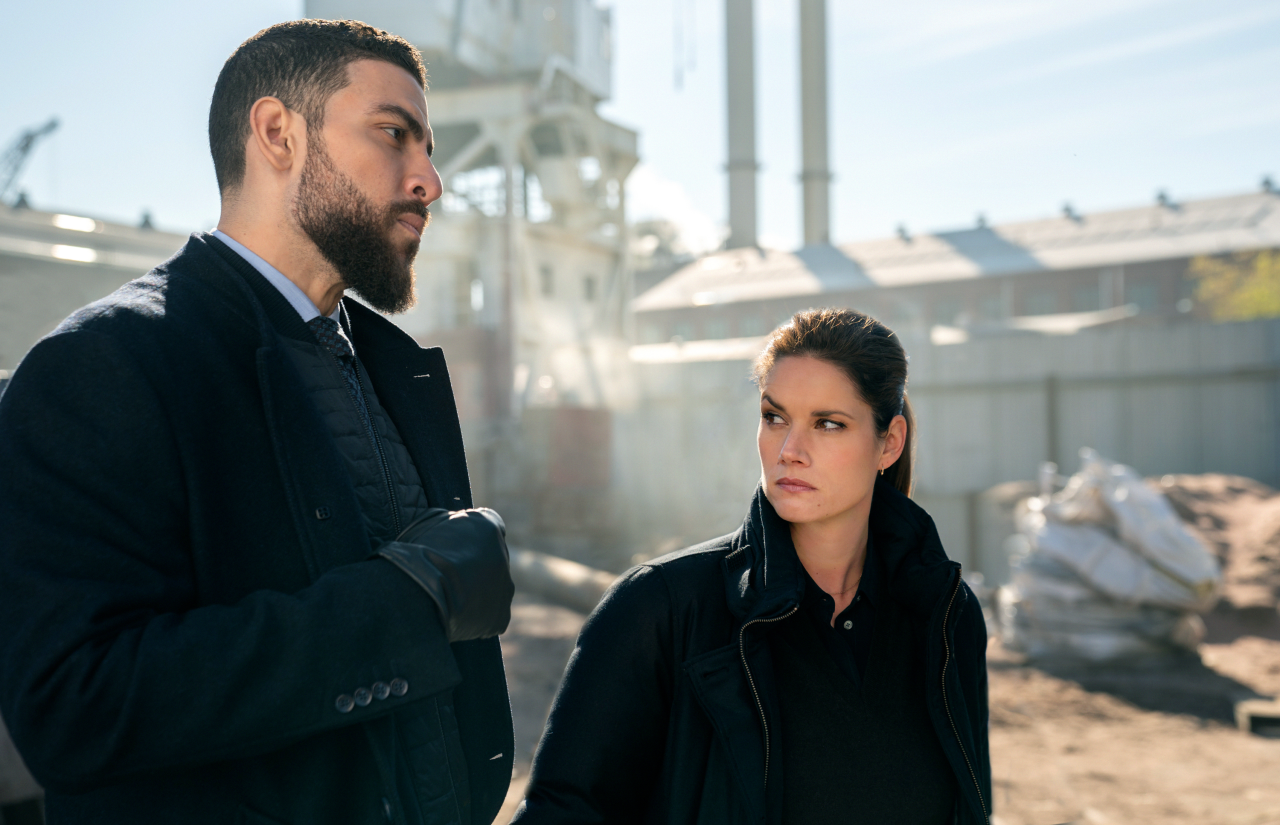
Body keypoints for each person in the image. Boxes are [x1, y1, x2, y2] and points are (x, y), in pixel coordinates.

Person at [0, 20, 516, 825]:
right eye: (394, 135)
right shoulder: (104, 366)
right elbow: (75, 708)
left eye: (429, 148)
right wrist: (405, 602)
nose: (430, 181)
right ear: (278, 133)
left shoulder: (395, 365)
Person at [514, 308, 991, 825]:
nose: (790, 450)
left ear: (889, 443)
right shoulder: (660, 608)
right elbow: (560, 812)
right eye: (774, 417)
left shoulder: (946, 614)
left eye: (828, 424)